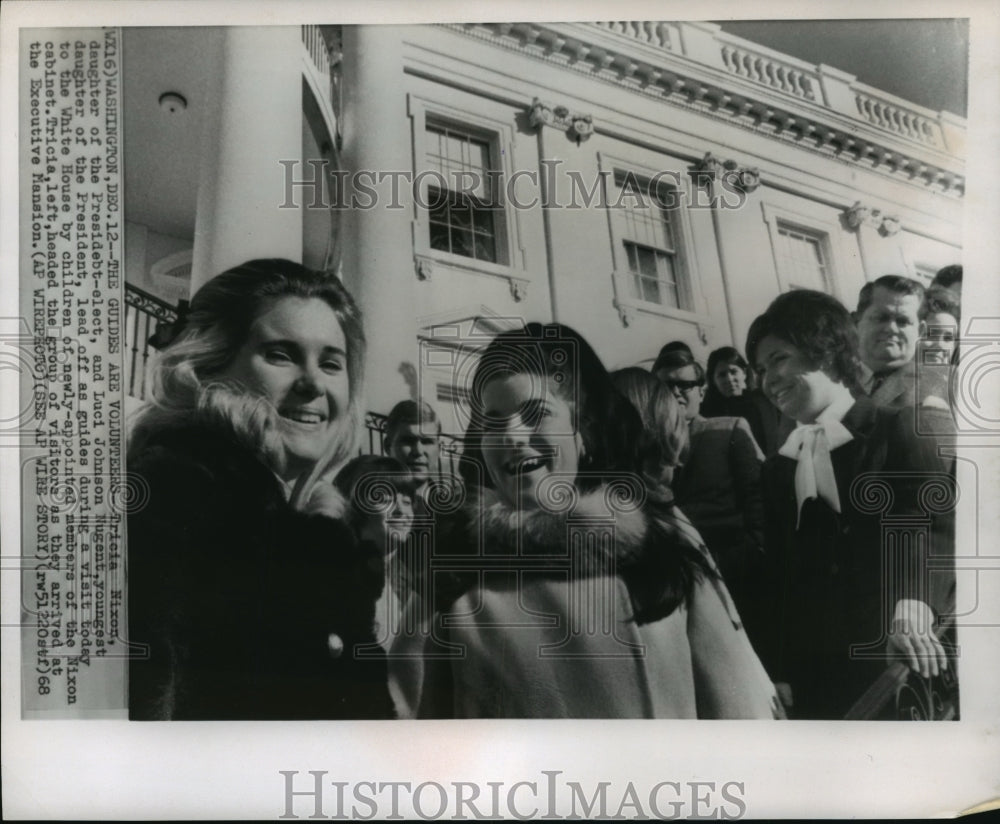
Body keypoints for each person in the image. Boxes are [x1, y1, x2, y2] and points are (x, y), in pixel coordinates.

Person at [408, 323, 780, 719]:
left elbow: (738, 711)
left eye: (535, 413)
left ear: (581, 430)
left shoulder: (661, 541)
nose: (512, 436)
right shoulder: (451, 572)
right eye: (493, 420)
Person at [127, 258, 395, 720]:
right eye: (281, 355)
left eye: (332, 363)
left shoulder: (290, 524)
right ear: (209, 364)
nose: (313, 383)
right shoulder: (175, 499)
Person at [746, 289, 955, 720]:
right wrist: (779, 668)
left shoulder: (901, 428)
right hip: (814, 679)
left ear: (824, 352)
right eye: (761, 369)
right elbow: (780, 577)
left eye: (779, 359)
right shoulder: (777, 470)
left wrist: (912, 602)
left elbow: (932, 527)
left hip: (896, 667)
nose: (767, 380)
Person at [652, 347, 766, 629]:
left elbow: (757, 500)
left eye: (685, 385)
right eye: (667, 386)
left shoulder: (731, 429)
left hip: (735, 571)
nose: (676, 392)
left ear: (701, 392)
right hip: (675, 583)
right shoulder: (647, 448)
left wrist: (750, 555)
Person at [334, 454, 417, 651]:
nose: (401, 511)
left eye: (407, 501)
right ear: (354, 506)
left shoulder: (406, 579)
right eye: (386, 499)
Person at [854, 274, 926, 410]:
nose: (891, 328)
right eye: (880, 318)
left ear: (920, 331)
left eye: (903, 321)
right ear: (857, 321)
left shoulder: (944, 385)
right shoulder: (830, 377)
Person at [701, 345, 785, 456]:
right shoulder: (707, 412)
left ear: (744, 373)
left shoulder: (763, 402)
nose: (729, 379)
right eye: (722, 375)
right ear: (713, 380)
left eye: (733, 372)